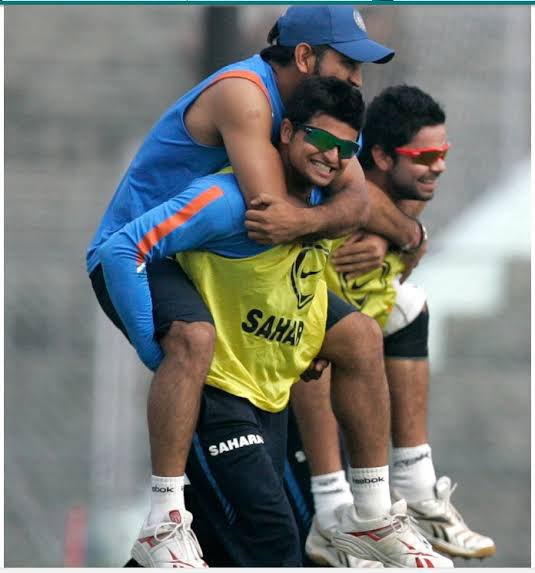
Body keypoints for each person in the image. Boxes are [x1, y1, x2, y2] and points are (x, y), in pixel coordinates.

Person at [88, 4, 428, 567]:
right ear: (305, 56)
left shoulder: (317, 116)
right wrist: (169, 358)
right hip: (146, 255)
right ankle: (161, 522)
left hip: (223, 265)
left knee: (359, 337)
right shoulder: (244, 96)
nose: (356, 80)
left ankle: (370, 513)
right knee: (194, 343)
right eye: (347, 63)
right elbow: (277, 217)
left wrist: (404, 233)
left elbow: (353, 202)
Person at [284, 85, 496, 566]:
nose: (438, 166)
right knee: (332, 335)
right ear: (379, 156)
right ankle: (332, 511)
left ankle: (415, 484)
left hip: (340, 391)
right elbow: (360, 201)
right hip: (282, 379)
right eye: (425, 157)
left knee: (408, 307)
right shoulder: (345, 193)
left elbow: (396, 221)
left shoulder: (405, 204)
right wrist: (403, 236)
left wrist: (403, 237)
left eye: (443, 154)